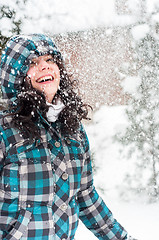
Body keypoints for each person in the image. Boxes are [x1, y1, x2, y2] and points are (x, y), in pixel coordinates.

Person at [0, 34, 135, 240]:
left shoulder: (72, 129)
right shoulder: (5, 128)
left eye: (50, 60)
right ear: (15, 76)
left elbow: (85, 196)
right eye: (33, 63)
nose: (45, 66)